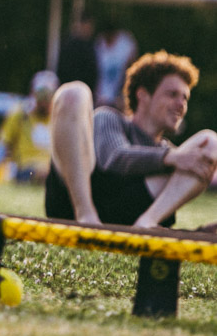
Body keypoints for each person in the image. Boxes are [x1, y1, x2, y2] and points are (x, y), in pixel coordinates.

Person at [46, 50, 217, 228]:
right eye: (172, 94)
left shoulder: (173, 155)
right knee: (74, 93)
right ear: (142, 94)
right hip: (72, 207)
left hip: (129, 217)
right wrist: (170, 158)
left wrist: (204, 231)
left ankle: (147, 223)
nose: (181, 105)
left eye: (185, 98)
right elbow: (114, 157)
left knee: (210, 143)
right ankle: (86, 215)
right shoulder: (109, 119)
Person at [0, 70, 58, 184]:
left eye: (48, 95)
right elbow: (1, 147)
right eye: (41, 94)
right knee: (43, 173)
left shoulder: (58, 117)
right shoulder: (20, 114)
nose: (44, 100)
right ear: (33, 93)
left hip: (50, 170)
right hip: (25, 170)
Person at [94, 23, 138, 109]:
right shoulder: (99, 43)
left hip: (118, 95)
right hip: (101, 97)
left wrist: (122, 93)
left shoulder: (125, 43)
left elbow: (131, 67)